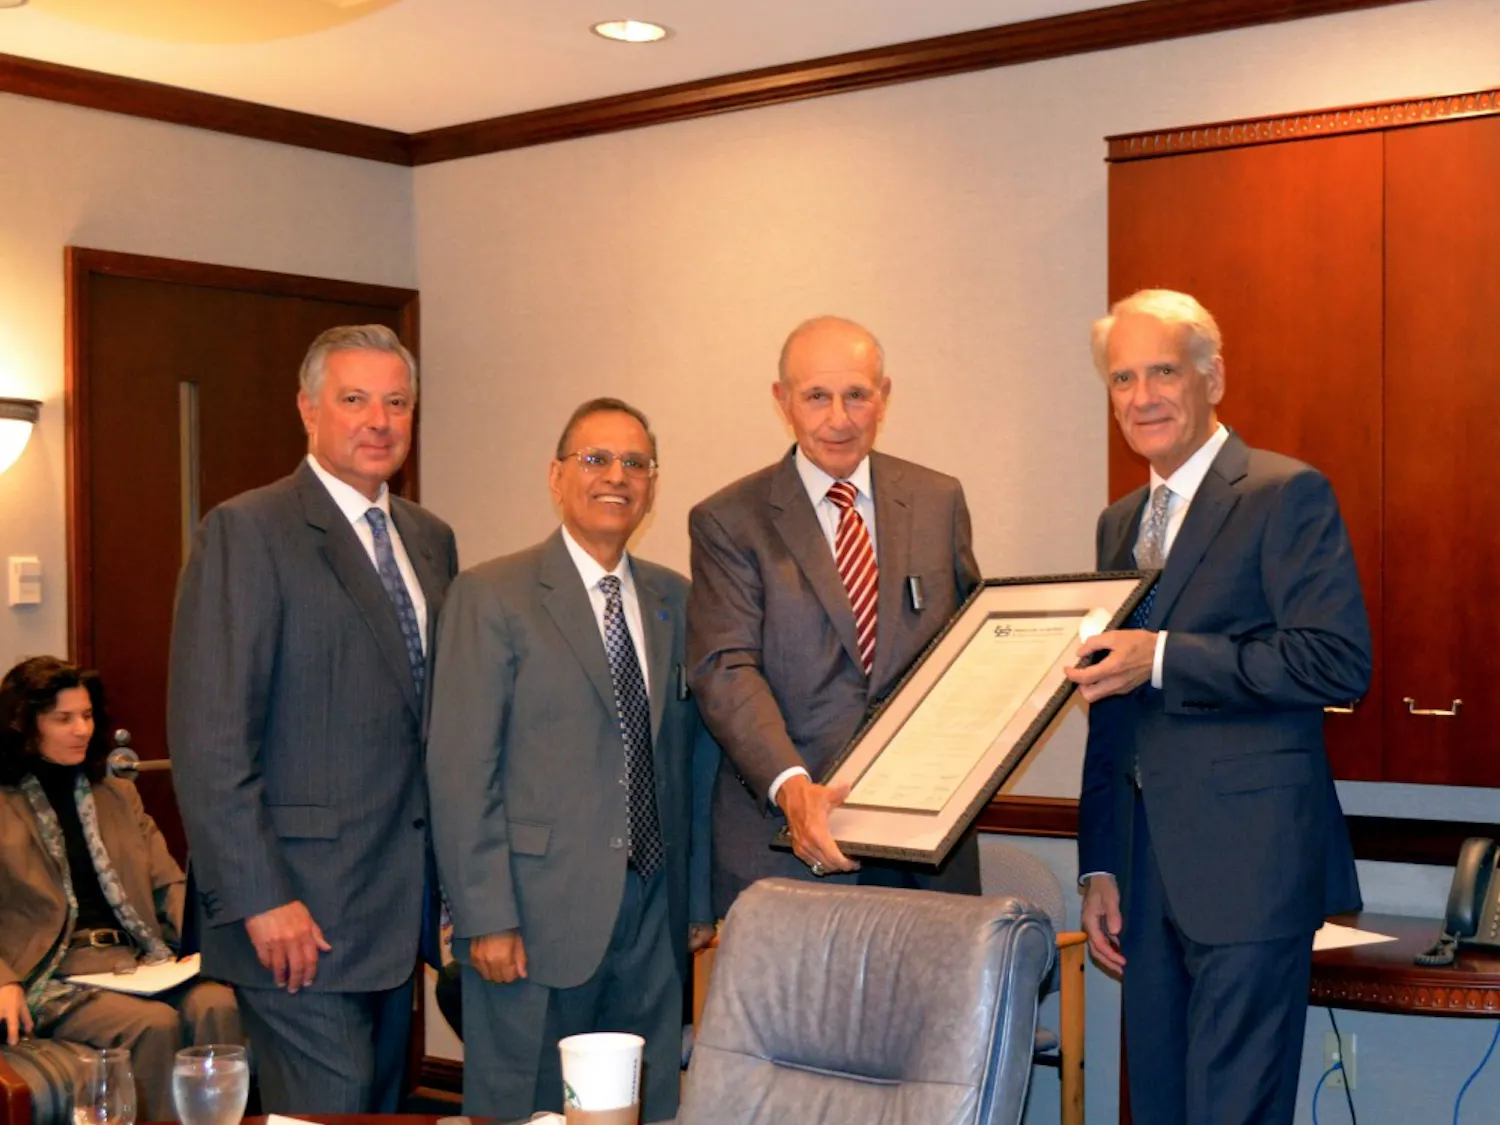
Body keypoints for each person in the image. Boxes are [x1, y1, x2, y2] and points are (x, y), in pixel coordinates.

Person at [1066, 289, 1370, 1125]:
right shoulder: (1119, 522)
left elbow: (1337, 660)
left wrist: (1160, 655)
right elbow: (1109, 701)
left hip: (1250, 866)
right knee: (1156, 1105)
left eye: (1162, 371)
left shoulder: (1284, 493)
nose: (1142, 397)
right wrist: (1098, 864)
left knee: (1233, 1110)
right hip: (1143, 868)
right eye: (1122, 378)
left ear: (1213, 376)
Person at [166, 324, 458, 1113]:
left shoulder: (430, 541)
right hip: (298, 919)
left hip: (397, 921)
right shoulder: (249, 530)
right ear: (308, 409)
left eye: (396, 402)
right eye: (355, 399)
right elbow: (210, 739)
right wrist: (261, 898)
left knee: (381, 1107)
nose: (379, 420)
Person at [426, 397, 713, 1124]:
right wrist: (484, 915)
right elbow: (462, 771)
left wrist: (698, 900)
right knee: (527, 1107)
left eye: (635, 462)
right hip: (532, 920)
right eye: (595, 459)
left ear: (651, 482)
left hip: (654, 914)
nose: (616, 475)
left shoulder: (675, 600)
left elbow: (694, 765)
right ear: (556, 476)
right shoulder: (492, 594)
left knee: (642, 1106)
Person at [687, 315, 982, 914]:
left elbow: (970, 654)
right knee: (802, 1015)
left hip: (925, 850)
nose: (839, 418)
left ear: (884, 396)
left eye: (857, 396)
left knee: (924, 1010)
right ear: (782, 402)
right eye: (816, 396)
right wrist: (793, 788)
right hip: (787, 846)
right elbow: (725, 668)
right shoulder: (729, 519)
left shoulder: (938, 500)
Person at [0, 656, 242, 1122]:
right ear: (26, 725)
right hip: (54, 975)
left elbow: (168, 884)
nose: (81, 730)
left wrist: (204, 945)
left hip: (135, 962)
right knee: (153, 1025)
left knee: (217, 1004)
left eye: (87, 716)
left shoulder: (118, 796)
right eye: (63, 719)